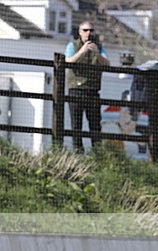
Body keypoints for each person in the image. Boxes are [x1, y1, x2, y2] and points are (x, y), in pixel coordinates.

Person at [65, 21, 110, 153]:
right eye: (85, 30)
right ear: (80, 32)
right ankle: (78, 153)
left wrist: (97, 54)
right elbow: (68, 61)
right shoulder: (72, 45)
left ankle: (97, 153)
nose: (88, 33)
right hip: (76, 90)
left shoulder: (99, 47)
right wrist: (82, 51)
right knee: (76, 125)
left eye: (91, 30)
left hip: (92, 91)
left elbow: (107, 64)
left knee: (95, 125)